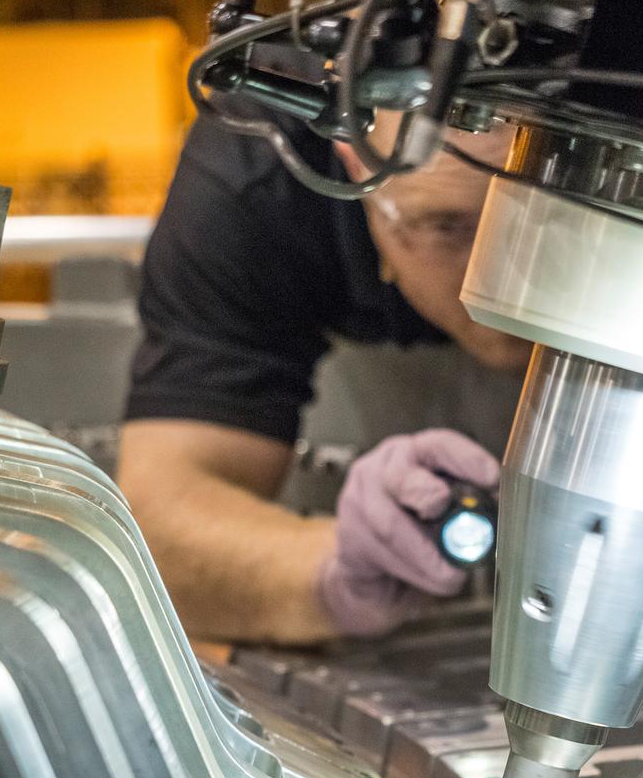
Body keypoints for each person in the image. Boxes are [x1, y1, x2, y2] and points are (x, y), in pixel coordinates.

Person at [117, 112, 530, 645]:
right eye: (447, 228)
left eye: (543, 222)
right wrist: (334, 568)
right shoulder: (264, 165)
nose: (504, 280)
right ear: (353, 158)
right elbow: (162, 523)